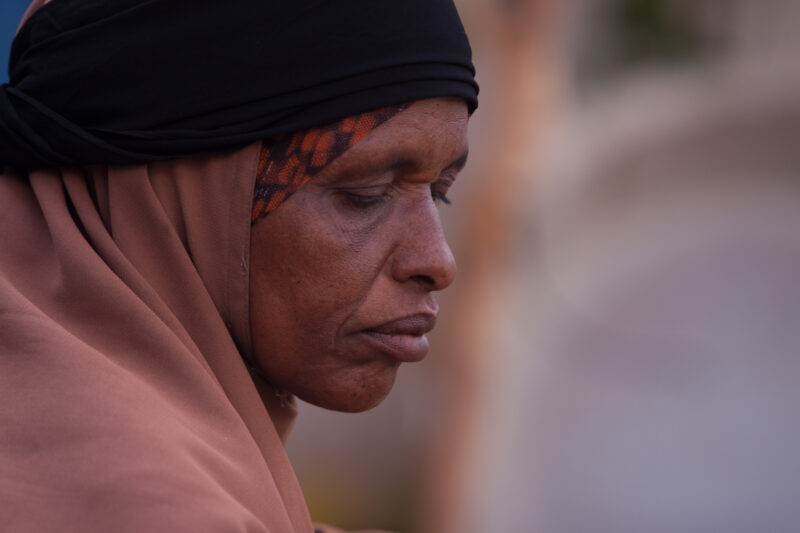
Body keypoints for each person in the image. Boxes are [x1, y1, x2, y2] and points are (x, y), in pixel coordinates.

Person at [0, 1, 478, 532]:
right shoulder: (147, 508)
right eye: (365, 194)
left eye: (439, 194)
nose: (437, 261)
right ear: (178, 190)